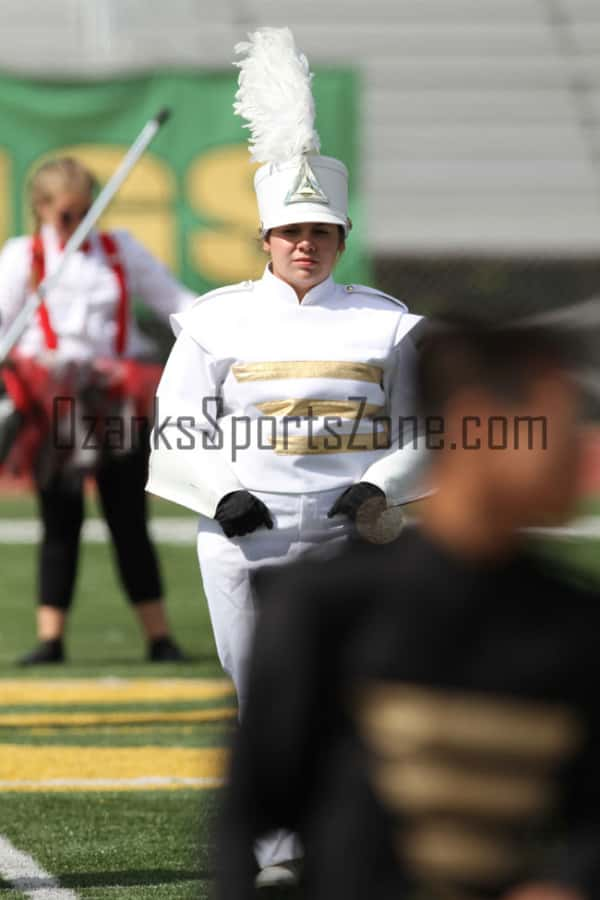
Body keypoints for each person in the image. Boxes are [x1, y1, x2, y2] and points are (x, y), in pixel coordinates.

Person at [146, 27, 429, 887]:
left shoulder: (387, 321)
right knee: (258, 697)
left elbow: (429, 430)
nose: (306, 243)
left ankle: (346, 845)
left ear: (341, 238)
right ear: (266, 238)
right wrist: (223, 494)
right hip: (244, 539)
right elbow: (175, 421)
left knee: (357, 698)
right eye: (291, 231)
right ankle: (276, 856)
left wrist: (376, 489)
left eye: (322, 231)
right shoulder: (215, 319)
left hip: (352, 540)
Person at [217, 317, 600, 900]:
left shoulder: (579, 625)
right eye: (565, 424)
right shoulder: (327, 605)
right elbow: (245, 816)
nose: (582, 449)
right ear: (479, 424)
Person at [0, 156, 196, 665]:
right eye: (68, 214)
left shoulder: (119, 250)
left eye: (89, 211)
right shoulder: (23, 257)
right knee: (59, 517)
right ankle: (50, 639)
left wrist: (226, 327)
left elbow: (176, 301)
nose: (80, 223)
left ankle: (159, 637)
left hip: (114, 395)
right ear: (41, 209)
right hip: (53, 402)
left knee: (127, 516)